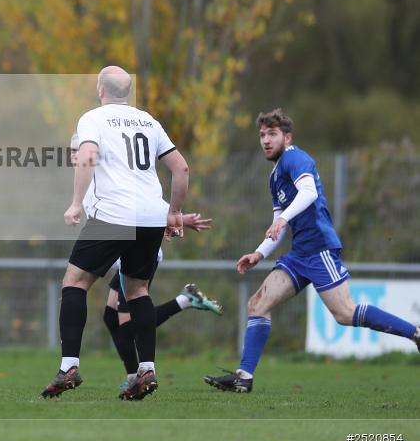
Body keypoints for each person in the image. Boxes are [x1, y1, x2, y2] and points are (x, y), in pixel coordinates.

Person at [204, 109, 420, 393]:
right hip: (299, 254)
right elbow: (278, 222)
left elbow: (309, 194)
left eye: (272, 134)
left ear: (287, 137)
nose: (266, 140)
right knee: (258, 304)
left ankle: (415, 333)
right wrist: (259, 253)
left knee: (344, 313)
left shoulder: (294, 157)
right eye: (262, 135)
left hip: (320, 249)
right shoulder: (275, 176)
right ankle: (244, 377)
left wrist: (282, 220)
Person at [41, 66, 189, 401]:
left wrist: (76, 202)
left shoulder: (93, 118)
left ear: (100, 89)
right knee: (137, 291)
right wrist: (174, 212)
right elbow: (180, 168)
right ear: (128, 91)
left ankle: (69, 366)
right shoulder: (149, 121)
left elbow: (88, 156)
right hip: (151, 214)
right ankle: (146, 368)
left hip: (115, 213)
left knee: (75, 281)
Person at [68, 134, 223, 392]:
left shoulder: (109, 177)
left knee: (126, 322)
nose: (75, 156)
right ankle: (134, 375)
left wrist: (180, 218)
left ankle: (183, 302)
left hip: (135, 253)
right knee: (111, 317)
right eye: (72, 151)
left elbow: (147, 205)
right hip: (119, 257)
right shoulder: (86, 183)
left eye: (78, 150)